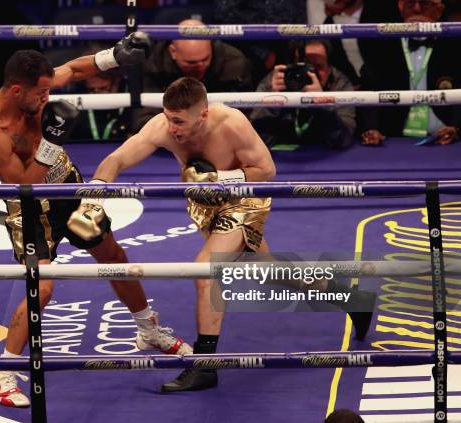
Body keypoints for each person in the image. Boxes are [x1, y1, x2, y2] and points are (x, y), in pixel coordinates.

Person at [69, 77, 375, 393]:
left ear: (202, 114)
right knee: (266, 270)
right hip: (205, 204)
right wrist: (92, 202)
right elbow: (116, 159)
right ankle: (350, 297)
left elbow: (267, 170)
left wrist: (219, 177)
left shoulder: (231, 123)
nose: (172, 127)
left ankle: (205, 367)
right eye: (168, 117)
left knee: (207, 272)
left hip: (244, 199)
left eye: (179, 120)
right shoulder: (162, 127)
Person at [0, 38, 192, 408]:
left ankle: (148, 328)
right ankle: (4, 374)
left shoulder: (36, 89)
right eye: (41, 93)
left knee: (113, 256)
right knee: (40, 288)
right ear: (15, 90)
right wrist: (51, 140)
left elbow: (74, 69)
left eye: (47, 90)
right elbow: (27, 185)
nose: (47, 98)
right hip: (31, 207)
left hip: (69, 187)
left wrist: (114, 57)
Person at [360, 0, 461, 146]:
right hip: (392, 140)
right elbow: (369, 86)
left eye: (426, 4)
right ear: (400, 8)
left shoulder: (455, 44)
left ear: (439, 11)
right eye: (409, 4)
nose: (417, 9)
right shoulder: (381, 43)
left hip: (446, 140)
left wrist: (457, 128)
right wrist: (370, 128)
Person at [132, 19, 253, 131]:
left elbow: (243, 120)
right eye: (191, 63)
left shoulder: (233, 63)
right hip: (170, 140)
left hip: (217, 138)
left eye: (205, 59)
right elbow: (144, 119)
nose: (201, 66)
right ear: (173, 52)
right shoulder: (155, 64)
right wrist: (183, 127)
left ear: (210, 45)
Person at [250, 40, 356, 149]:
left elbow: (343, 140)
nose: (310, 74)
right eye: (304, 66)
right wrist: (273, 102)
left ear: (329, 68)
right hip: (280, 160)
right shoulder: (276, 81)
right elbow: (255, 142)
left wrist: (323, 103)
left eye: (317, 67)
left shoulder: (339, 84)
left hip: (326, 159)